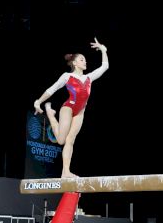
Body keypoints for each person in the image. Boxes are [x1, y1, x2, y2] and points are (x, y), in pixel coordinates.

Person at [34, 37, 109, 178]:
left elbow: (105, 67)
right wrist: (38, 101)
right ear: (74, 63)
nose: (85, 61)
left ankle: (65, 172)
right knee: (61, 140)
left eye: (85, 59)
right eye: (82, 59)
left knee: (70, 140)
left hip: (80, 112)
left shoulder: (89, 78)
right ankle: (51, 114)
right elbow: (52, 89)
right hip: (68, 108)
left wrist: (103, 50)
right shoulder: (67, 76)